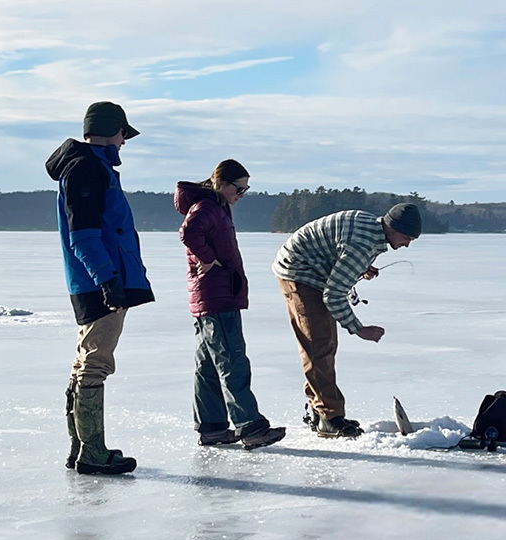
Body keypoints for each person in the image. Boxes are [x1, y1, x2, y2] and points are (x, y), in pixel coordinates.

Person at [45, 101, 154, 475]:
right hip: (100, 280)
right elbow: (85, 235)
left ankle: (81, 448)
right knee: (96, 362)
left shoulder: (93, 166)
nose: (125, 142)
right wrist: (108, 280)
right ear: (112, 130)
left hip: (96, 278)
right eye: (124, 133)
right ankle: (91, 452)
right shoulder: (87, 168)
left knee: (85, 360)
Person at [272, 203, 422, 438]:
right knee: (319, 345)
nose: (407, 244)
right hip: (298, 272)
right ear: (391, 227)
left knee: (324, 344)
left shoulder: (371, 229)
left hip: (310, 265)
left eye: (412, 239)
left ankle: (319, 408)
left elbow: (341, 250)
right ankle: (329, 418)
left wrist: (360, 267)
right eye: (405, 237)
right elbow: (333, 295)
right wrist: (359, 329)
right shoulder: (361, 247)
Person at [174, 160, 286, 450]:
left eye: (246, 189)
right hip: (217, 296)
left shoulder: (213, 205)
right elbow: (188, 233)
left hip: (211, 296)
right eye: (239, 188)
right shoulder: (208, 207)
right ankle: (250, 426)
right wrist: (208, 259)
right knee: (232, 360)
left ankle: (212, 427)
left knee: (209, 365)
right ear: (221, 183)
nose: (242, 194)